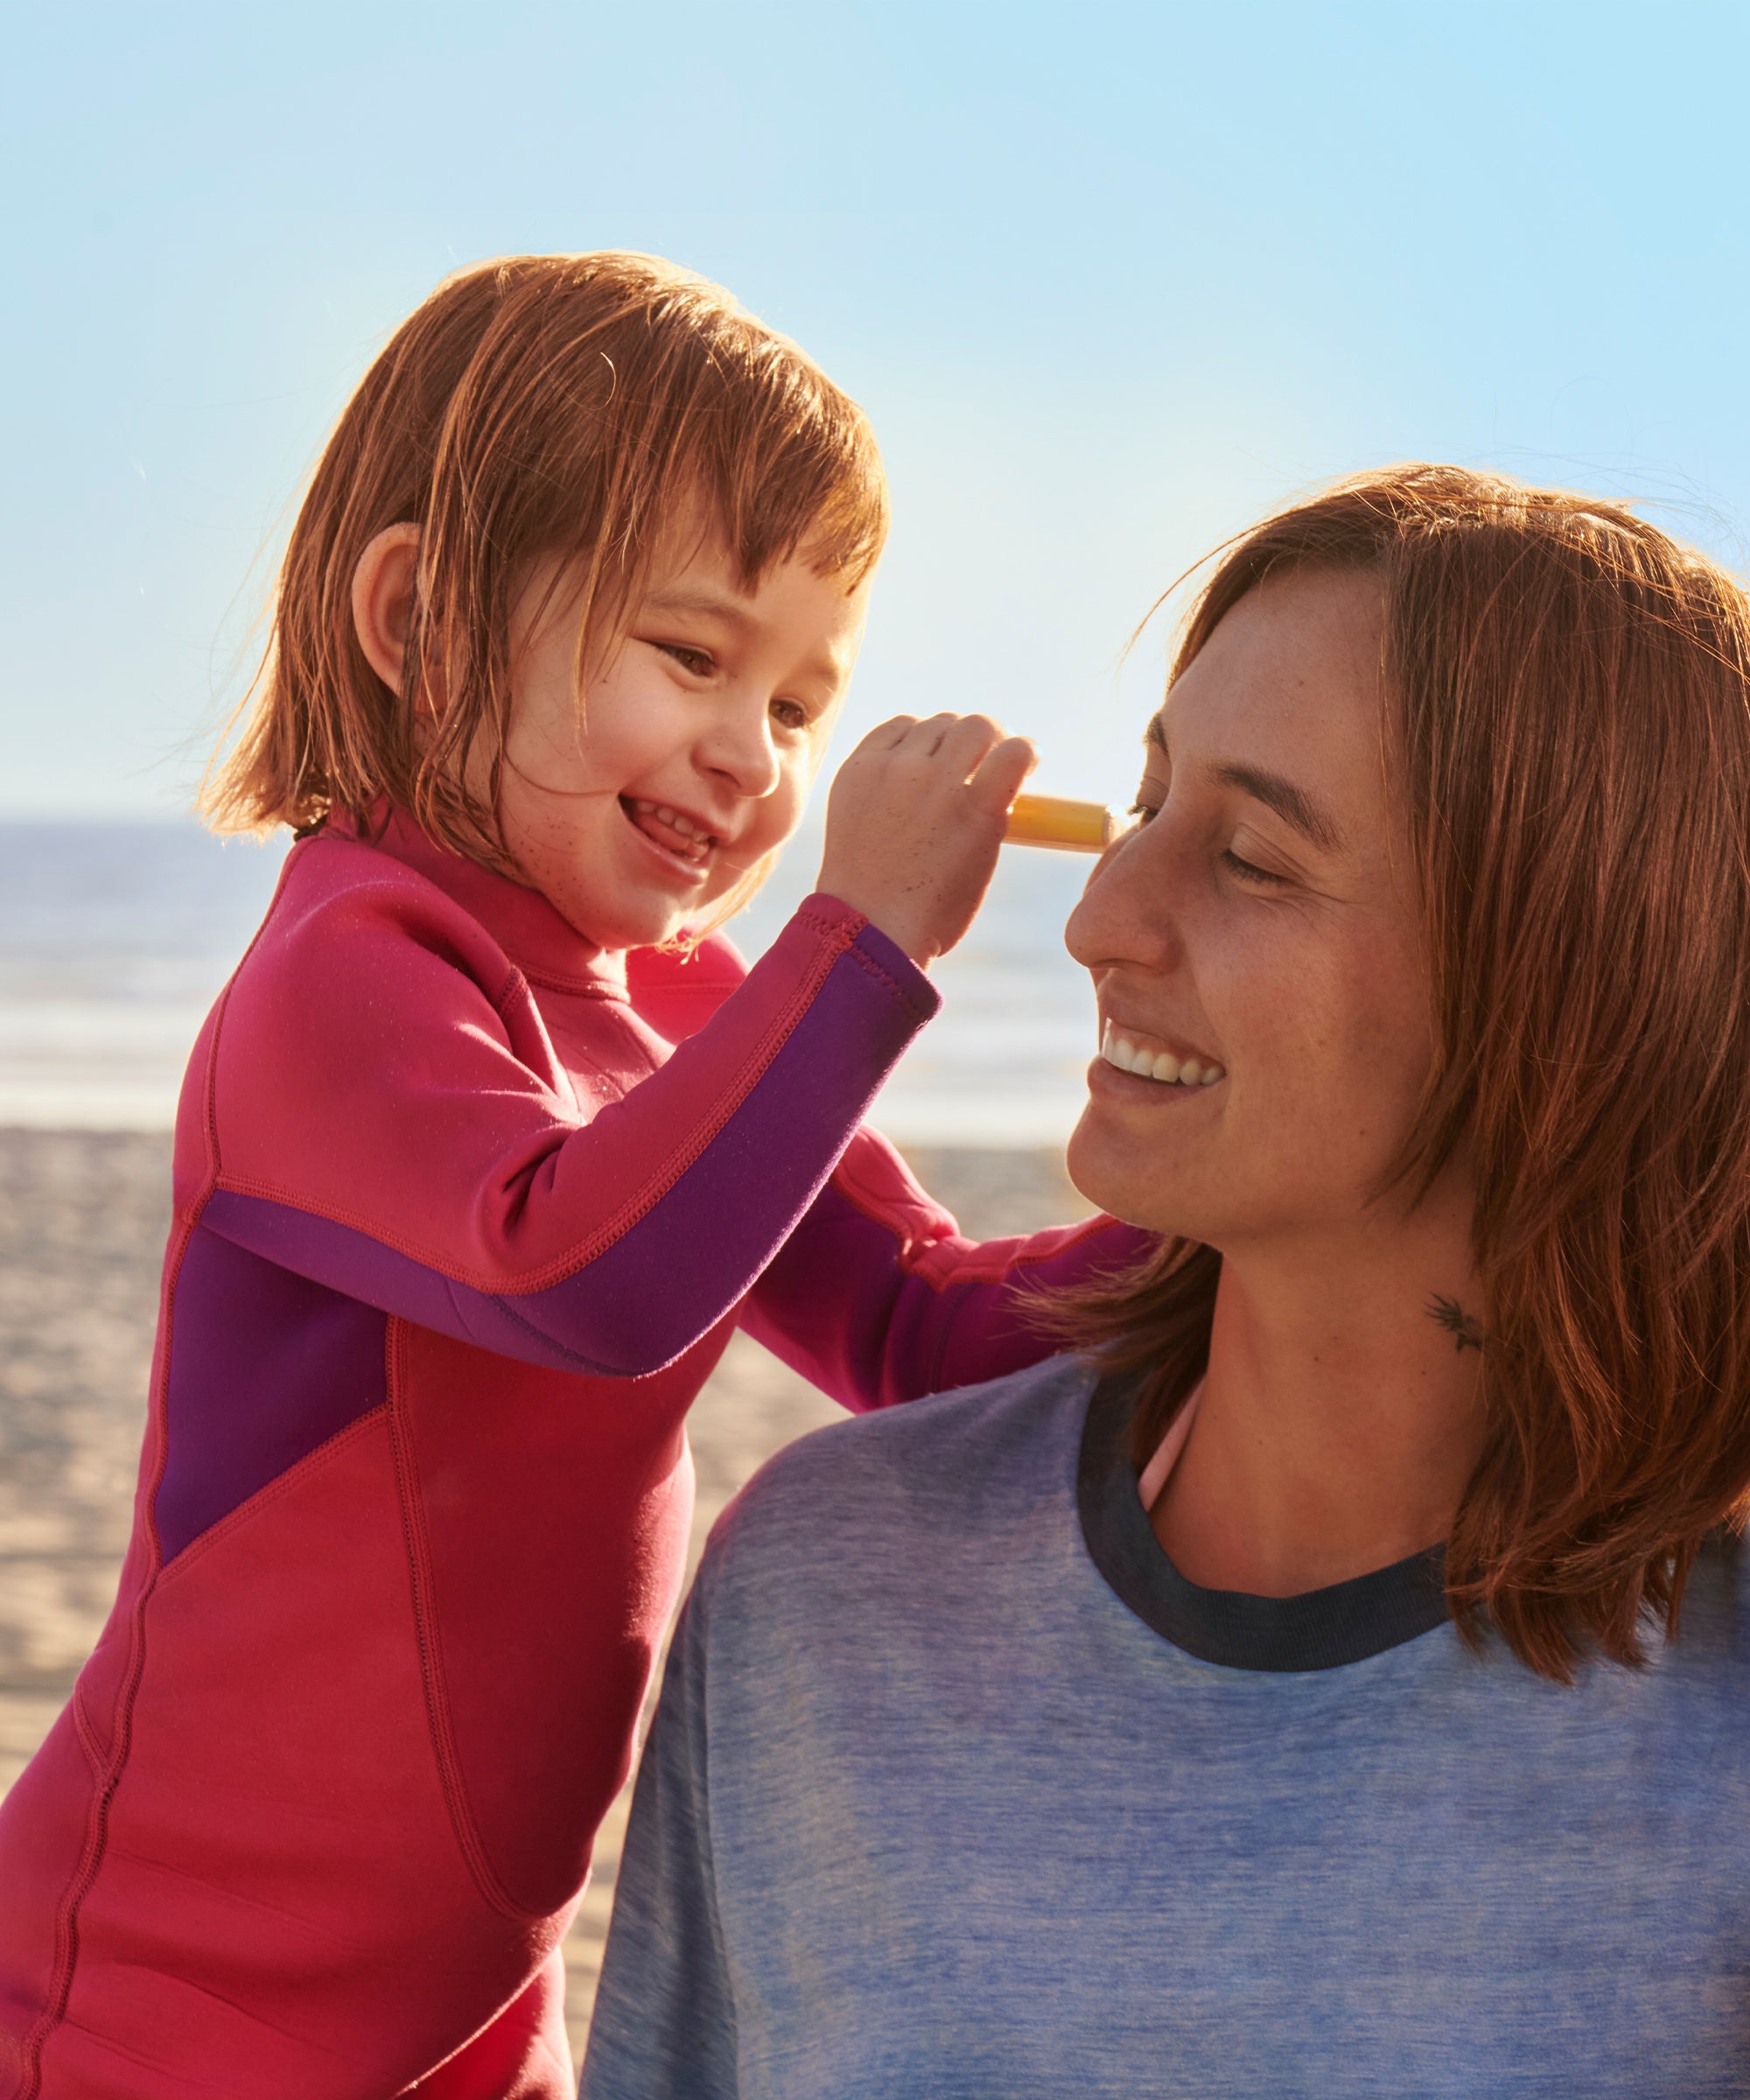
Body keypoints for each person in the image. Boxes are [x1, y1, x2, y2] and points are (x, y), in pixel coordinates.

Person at [0, 253, 1146, 2099]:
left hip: (471, 2012)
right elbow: (577, 1284)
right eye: (694, 656)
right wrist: (859, 944)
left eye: (794, 703)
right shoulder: (347, 974)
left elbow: (917, 1328)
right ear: (421, 622)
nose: (748, 756)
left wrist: (1240, 1217)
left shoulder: (693, 1010)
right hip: (159, 2011)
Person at [584, 464, 1750, 2099]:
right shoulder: (824, 1595)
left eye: (1253, 860)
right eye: (1145, 810)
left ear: (1573, 985)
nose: (1102, 921)